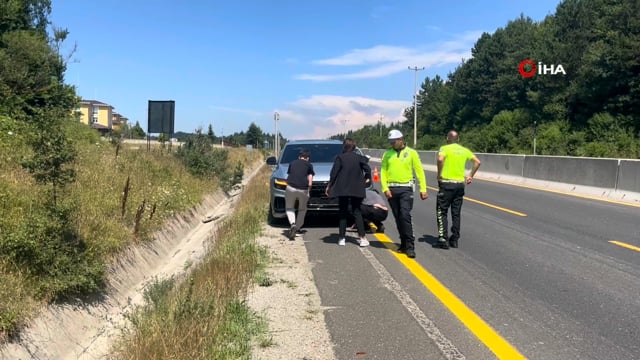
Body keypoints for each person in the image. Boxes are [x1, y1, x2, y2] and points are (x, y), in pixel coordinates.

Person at [380, 129, 427, 258]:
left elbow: (419, 171)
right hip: (392, 189)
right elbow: (383, 172)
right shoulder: (387, 154)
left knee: (405, 215)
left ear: (401, 140)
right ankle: (403, 243)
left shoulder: (411, 153)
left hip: (406, 189)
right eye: (390, 142)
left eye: (394, 142)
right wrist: (385, 188)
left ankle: (410, 245)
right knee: (398, 218)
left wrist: (423, 189)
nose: (392, 144)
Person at [436, 130, 481, 249]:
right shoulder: (464, 150)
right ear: (458, 139)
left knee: (442, 211)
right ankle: (455, 238)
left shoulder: (444, 148)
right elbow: (477, 162)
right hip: (460, 185)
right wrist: (470, 175)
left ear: (447, 139)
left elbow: (440, 160)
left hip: (446, 184)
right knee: (456, 213)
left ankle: (443, 238)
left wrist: (439, 173)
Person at [326, 138, 372, 247]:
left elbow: (334, 173)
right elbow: (368, 169)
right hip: (356, 188)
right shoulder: (359, 158)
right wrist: (367, 178)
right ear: (354, 147)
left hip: (342, 189)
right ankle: (362, 238)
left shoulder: (340, 158)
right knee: (357, 211)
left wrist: (329, 185)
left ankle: (341, 238)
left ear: (344, 146)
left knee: (343, 212)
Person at [285, 149, 315, 240]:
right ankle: (297, 228)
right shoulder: (309, 165)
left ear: (299, 157)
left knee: (289, 207)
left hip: (290, 187)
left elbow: (290, 174)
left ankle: (292, 224)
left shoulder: (292, 163)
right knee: (302, 209)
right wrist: (308, 190)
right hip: (303, 189)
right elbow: (310, 181)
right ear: (308, 158)